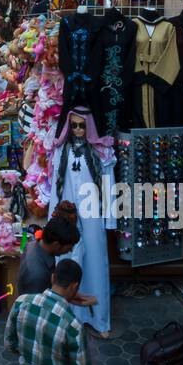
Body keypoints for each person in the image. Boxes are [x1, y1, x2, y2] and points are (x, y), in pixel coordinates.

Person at [45, 108, 116, 338]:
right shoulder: (60, 151)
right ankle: (69, 319)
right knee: (66, 265)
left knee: (95, 265)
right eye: (73, 125)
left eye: (81, 126)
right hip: (66, 217)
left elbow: (109, 187)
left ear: (89, 127)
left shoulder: (101, 152)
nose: (77, 130)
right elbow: (56, 185)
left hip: (93, 215)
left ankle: (99, 320)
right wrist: (53, 221)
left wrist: (110, 219)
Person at [4, 259, 89, 365]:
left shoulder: (21, 302)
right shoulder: (74, 327)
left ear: (53, 278)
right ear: (74, 287)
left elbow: (9, 344)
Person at [18, 204, 84, 296]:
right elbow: (37, 307)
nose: (70, 251)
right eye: (68, 248)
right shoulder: (38, 275)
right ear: (56, 244)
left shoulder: (32, 245)